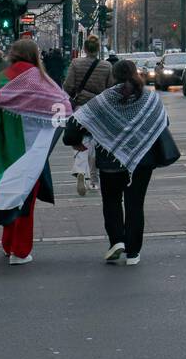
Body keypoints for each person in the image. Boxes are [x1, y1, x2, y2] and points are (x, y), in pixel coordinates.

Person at [0, 39, 71, 265]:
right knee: (27, 201)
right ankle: (20, 250)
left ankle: (7, 244)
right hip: (34, 148)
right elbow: (63, 108)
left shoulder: (0, 79)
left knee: (7, 195)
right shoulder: (42, 81)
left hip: (6, 147)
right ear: (35, 55)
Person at [64, 59, 173, 265]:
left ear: (113, 76)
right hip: (142, 161)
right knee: (135, 204)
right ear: (135, 74)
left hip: (110, 162)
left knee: (112, 201)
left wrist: (76, 141)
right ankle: (133, 252)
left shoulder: (103, 100)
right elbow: (162, 123)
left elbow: (73, 126)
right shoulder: (150, 99)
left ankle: (116, 242)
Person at [63, 36, 113, 195]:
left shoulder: (76, 64)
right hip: (99, 109)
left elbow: (68, 86)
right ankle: (94, 180)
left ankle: (80, 171)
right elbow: (111, 88)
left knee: (80, 141)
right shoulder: (106, 66)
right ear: (98, 49)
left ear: (84, 49)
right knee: (96, 143)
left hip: (80, 108)